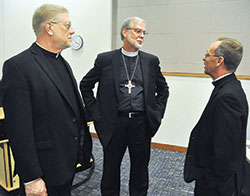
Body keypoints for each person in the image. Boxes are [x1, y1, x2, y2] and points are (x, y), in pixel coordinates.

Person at [1, 4, 92, 196]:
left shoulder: (62, 62)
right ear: (49, 28)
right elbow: (19, 130)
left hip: (65, 164)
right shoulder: (18, 67)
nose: (73, 30)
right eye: (67, 25)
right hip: (44, 168)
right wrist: (31, 178)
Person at [80, 16, 169, 196]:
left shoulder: (151, 61)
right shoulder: (105, 60)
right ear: (125, 32)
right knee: (111, 170)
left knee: (140, 171)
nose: (141, 36)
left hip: (141, 124)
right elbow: (85, 85)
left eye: (144, 33)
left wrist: (156, 113)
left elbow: (164, 90)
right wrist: (96, 111)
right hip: (114, 124)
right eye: (138, 31)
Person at [184, 37, 248, 196]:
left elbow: (224, 152)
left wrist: (207, 180)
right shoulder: (228, 87)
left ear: (219, 61)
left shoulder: (228, 97)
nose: (204, 58)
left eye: (208, 54)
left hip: (217, 186)